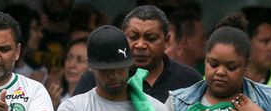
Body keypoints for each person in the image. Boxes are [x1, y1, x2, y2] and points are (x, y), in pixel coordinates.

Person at [74, 5, 202, 104]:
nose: (140, 45)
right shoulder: (98, 77)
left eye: (150, 38)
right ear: (122, 37)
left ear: (167, 41)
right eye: (133, 37)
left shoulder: (189, 79)